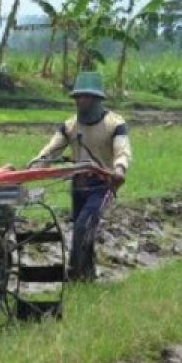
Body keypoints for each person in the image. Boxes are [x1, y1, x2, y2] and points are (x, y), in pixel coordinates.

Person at [29, 71, 132, 281]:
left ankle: (75, 273)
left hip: (102, 185)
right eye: (78, 97)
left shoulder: (114, 124)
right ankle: (88, 275)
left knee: (83, 226)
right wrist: (37, 163)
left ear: (96, 99)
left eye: (86, 97)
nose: (81, 101)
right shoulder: (70, 126)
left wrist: (119, 169)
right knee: (83, 229)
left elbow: (122, 150)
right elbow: (52, 149)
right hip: (79, 184)